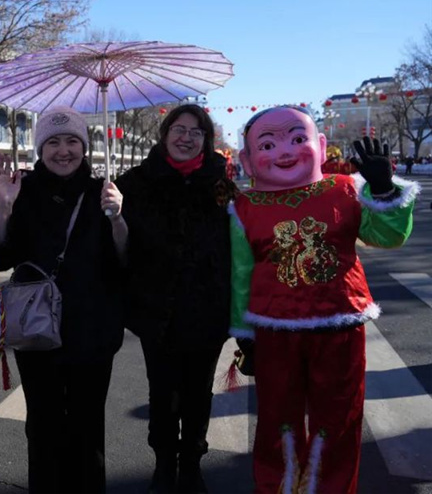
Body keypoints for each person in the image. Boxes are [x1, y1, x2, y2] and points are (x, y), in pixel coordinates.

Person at [231, 106, 420, 494]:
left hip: (340, 326)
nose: (285, 151)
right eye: (268, 144)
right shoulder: (243, 208)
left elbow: (388, 238)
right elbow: (240, 274)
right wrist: (244, 332)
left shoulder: (345, 190)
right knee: (276, 422)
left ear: (319, 145)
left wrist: (383, 189)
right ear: (248, 160)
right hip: (274, 330)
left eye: (297, 139)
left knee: (338, 419)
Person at [0, 106, 127, 494]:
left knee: (87, 427)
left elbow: (125, 261)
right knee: (43, 426)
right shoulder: (22, 190)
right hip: (36, 329)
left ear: (85, 145)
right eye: (52, 142)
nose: (63, 151)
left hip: (93, 330)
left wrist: (116, 219)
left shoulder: (105, 191)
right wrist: (4, 207)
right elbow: (1, 257)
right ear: (39, 148)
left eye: (71, 141)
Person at [114, 104, 238, 493]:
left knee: (198, 393)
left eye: (195, 132)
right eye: (179, 129)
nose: (186, 137)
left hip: (207, 310)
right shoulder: (134, 183)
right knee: (163, 393)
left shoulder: (222, 184)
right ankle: (164, 463)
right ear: (165, 134)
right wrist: (113, 215)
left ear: (206, 139)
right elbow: (120, 247)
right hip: (157, 311)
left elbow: (237, 246)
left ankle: (192, 464)